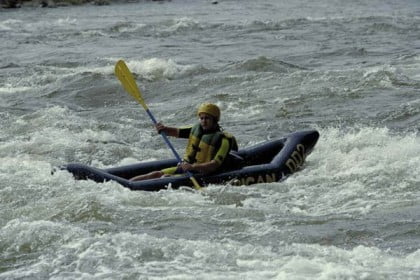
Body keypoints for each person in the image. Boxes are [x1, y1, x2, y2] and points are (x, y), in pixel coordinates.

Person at [130, 103, 238, 181]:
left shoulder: (223, 140)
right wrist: (163, 129)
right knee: (156, 174)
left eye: (207, 118)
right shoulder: (196, 129)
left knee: (165, 178)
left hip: (204, 173)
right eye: (201, 118)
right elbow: (176, 131)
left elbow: (214, 165)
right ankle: (127, 185)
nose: (203, 121)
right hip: (187, 168)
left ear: (215, 120)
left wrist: (193, 167)